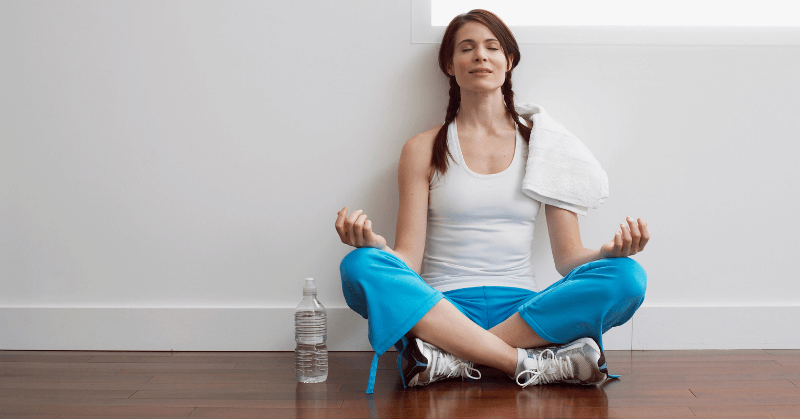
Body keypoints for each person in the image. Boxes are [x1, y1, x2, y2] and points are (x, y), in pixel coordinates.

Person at [334, 9, 649, 394]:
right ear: (450, 65)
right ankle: (523, 362)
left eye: (492, 47)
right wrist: (377, 247)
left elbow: (567, 258)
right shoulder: (421, 149)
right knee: (359, 265)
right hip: (441, 308)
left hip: (522, 311)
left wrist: (609, 252)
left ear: (508, 60)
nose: (480, 56)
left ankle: (453, 356)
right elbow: (408, 260)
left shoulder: (545, 145)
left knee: (627, 277)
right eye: (467, 48)